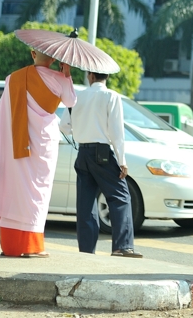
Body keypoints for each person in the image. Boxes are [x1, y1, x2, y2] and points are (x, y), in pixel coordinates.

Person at [0, 48, 76, 257]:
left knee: (14, 189)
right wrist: (67, 72)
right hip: (43, 142)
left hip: (17, 140)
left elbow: (4, 115)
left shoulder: (14, 78)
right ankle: (31, 246)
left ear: (33, 54)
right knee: (38, 191)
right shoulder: (60, 78)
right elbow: (71, 102)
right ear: (54, 58)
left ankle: (12, 246)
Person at [67, 70, 141, 257]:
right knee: (120, 197)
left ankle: (86, 251)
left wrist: (81, 126)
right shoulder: (111, 96)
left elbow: (63, 126)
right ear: (106, 76)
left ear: (90, 75)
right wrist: (122, 160)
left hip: (82, 152)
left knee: (86, 204)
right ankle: (122, 247)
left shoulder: (77, 96)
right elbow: (117, 132)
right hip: (102, 153)